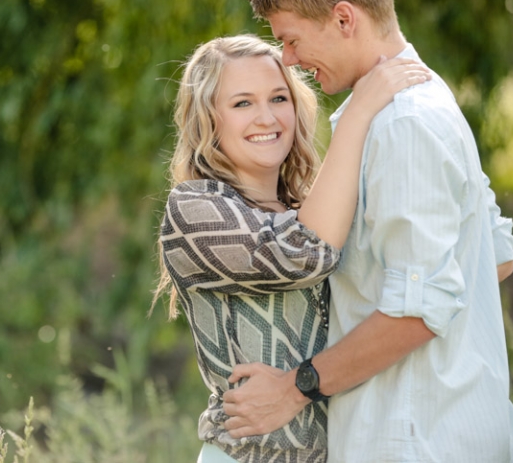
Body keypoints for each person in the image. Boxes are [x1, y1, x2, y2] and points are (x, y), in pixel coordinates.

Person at [221, 0, 513, 462]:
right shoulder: (429, 99)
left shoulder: (402, 125)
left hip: (412, 438)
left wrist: (293, 389)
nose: (290, 60)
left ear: (344, 19)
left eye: (293, 39)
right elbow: (494, 257)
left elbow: (418, 311)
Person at [154, 33, 430, 462]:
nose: (267, 118)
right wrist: (359, 111)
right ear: (209, 119)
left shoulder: (313, 208)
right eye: (242, 103)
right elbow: (303, 256)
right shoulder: (195, 210)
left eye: (279, 98)